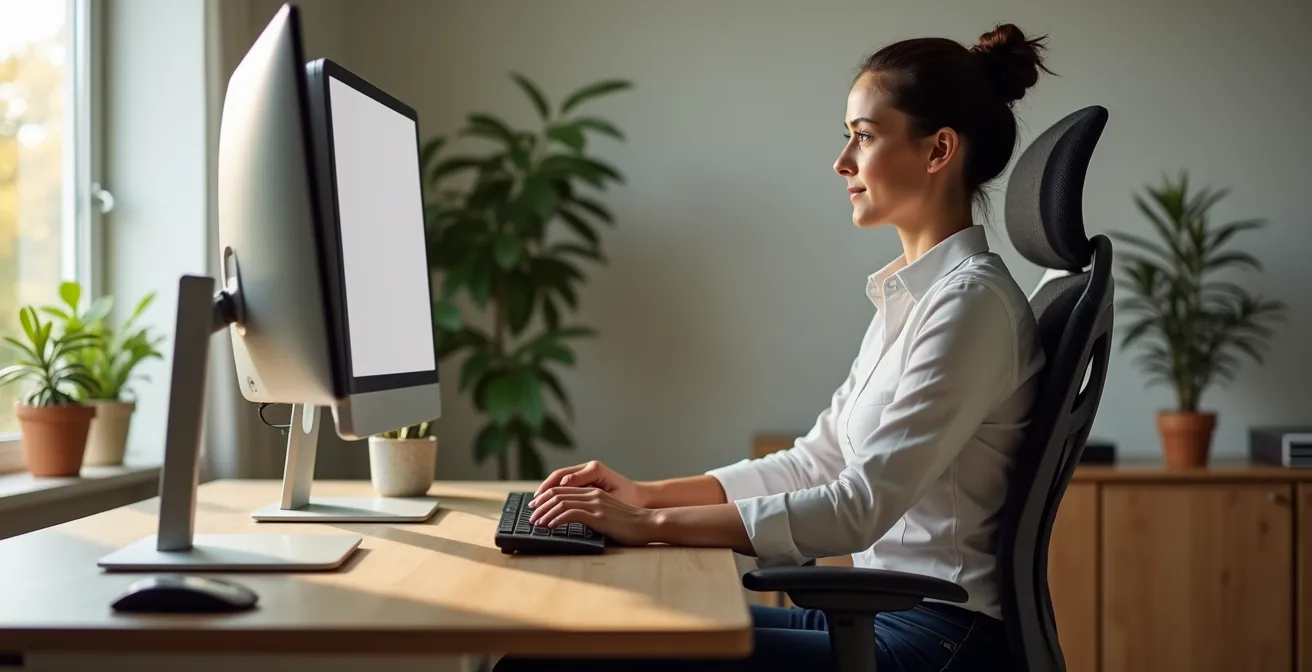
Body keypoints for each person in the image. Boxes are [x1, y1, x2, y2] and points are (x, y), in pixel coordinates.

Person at [494, 22, 1051, 672]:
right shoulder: (915, 297)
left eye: (864, 137)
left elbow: (857, 508)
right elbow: (819, 461)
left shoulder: (969, 306)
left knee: (553, 658)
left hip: (935, 642)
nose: (841, 161)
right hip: (884, 616)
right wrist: (643, 496)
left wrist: (645, 528)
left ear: (938, 151)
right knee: (580, 624)